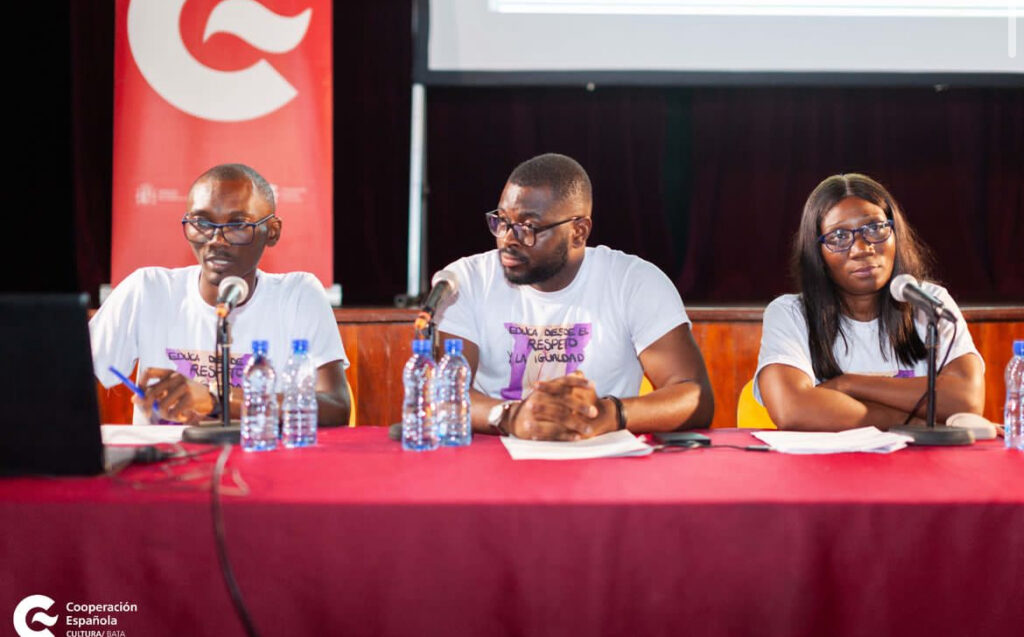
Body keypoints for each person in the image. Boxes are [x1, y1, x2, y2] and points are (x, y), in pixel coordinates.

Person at [436, 153, 713, 440]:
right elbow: (441, 392)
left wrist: (610, 414)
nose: (508, 238)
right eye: (502, 221)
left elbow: (695, 396)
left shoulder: (633, 282)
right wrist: (509, 416)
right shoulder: (465, 280)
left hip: (603, 462)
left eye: (528, 227)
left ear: (578, 232)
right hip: (497, 457)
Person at [90, 163, 351, 426]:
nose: (217, 239)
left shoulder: (298, 295)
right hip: (164, 464)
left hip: (262, 463)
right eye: (202, 223)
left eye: (237, 224)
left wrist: (218, 400)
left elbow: (336, 405)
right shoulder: (148, 290)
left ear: (272, 231)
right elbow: (67, 375)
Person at [754, 173, 984, 431]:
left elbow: (966, 399)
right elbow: (792, 409)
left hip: (917, 468)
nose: (861, 248)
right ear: (816, 253)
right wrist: (914, 422)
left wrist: (848, 384)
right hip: (827, 469)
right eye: (839, 236)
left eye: (875, 228)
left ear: (896, 232)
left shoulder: (929, 303)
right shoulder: (791, 314)